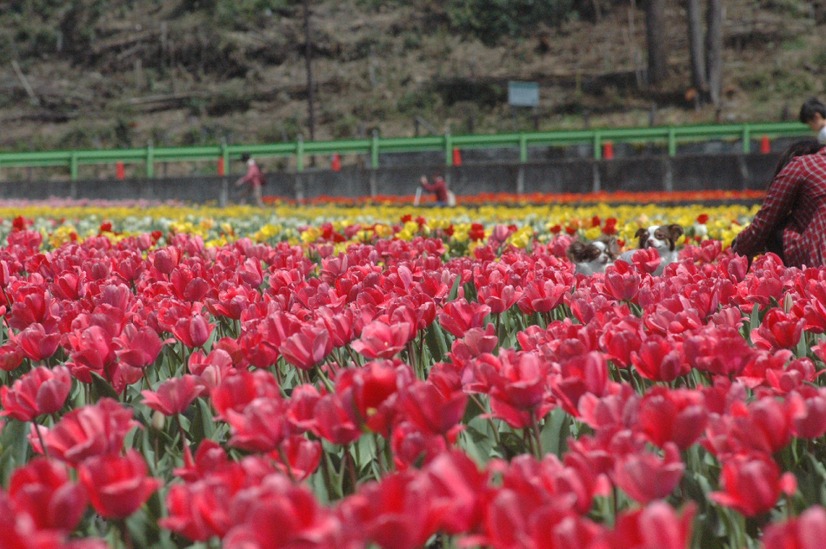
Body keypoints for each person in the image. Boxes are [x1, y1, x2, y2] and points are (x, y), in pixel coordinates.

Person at [731, 138, 826, 267]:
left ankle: (792, 280)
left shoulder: (802, 164)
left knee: (773, 230)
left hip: (820, 267)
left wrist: (738, 250)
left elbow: (764, 222)